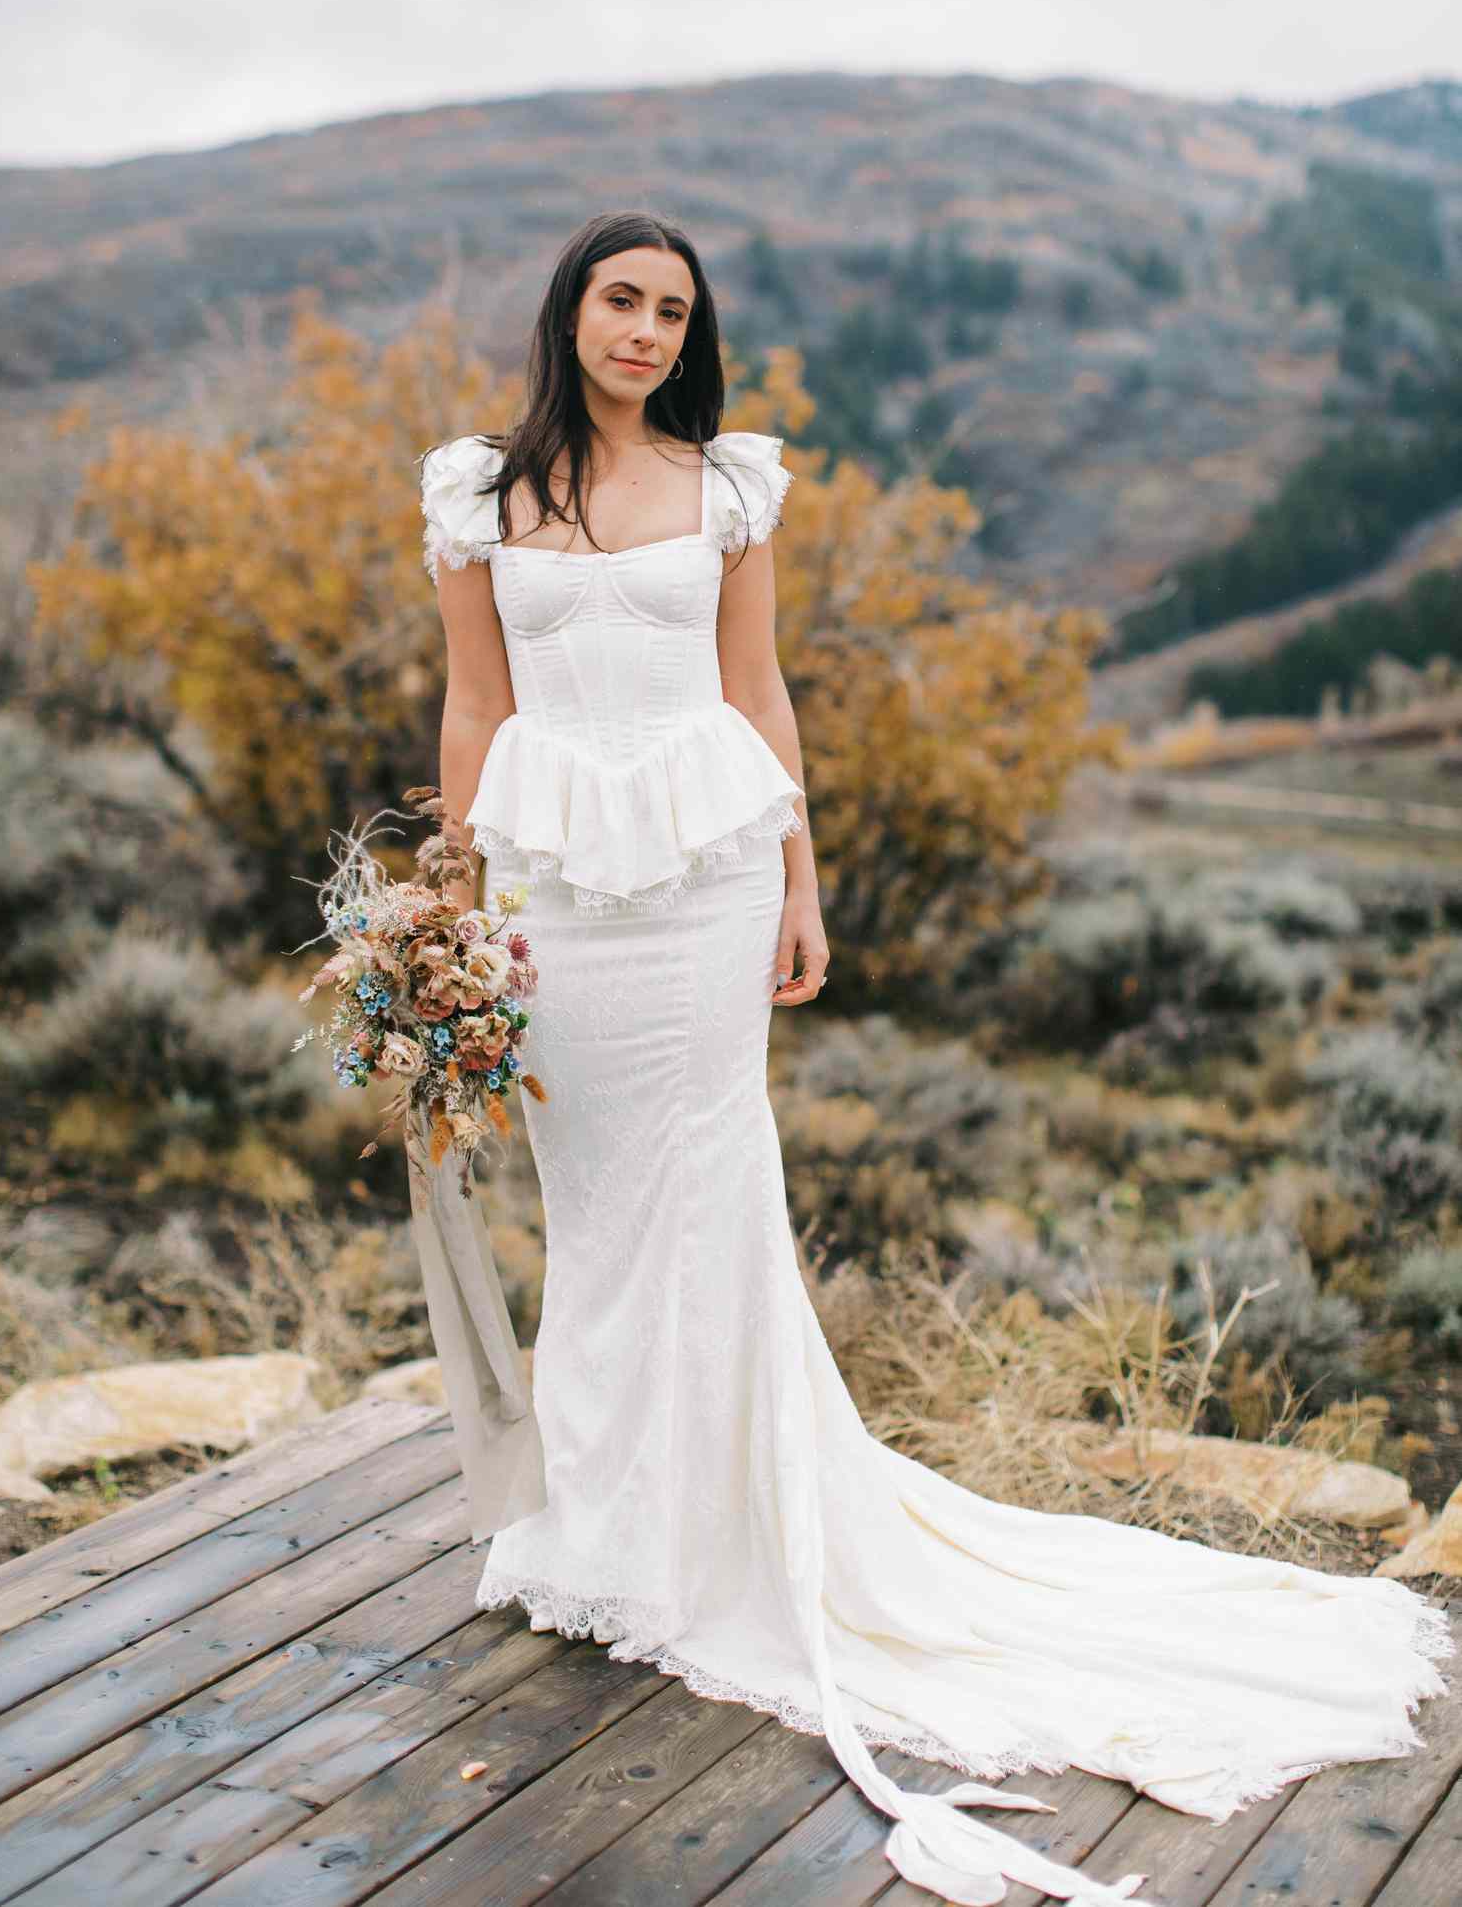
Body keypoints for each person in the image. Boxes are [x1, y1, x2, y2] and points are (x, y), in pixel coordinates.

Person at [417, 209, 1452, 1907]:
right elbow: (471, 706)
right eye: (622, 299)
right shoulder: (480, 492)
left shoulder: (729, 487)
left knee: (706, 1178)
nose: (647, 330)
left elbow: (759, 690)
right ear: (570, 309)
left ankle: (712, 1537)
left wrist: (802, 880)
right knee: (589, 1194)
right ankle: (603, 1524)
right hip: (552, 886)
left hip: (707, 876)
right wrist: (457, 896)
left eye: (675, 309)